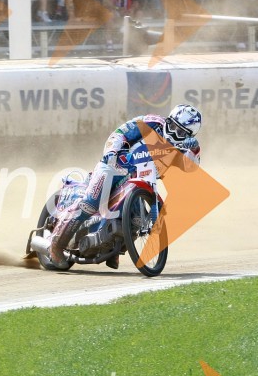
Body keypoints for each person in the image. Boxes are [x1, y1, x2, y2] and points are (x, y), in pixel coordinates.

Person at [48, 104, 202, 267]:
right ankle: (55, 246)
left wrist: (192, 150)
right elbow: (120, 133)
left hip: (142, 179)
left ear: (188, 135)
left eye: (180, 133)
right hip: (115, 166)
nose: (172, 133)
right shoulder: (151, 122)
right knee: (90, 204)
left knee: (136, 220)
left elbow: (191, 168)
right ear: (168, 120)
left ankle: (113, 249)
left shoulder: (189, 145)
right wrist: (112, 152)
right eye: (171, 126)